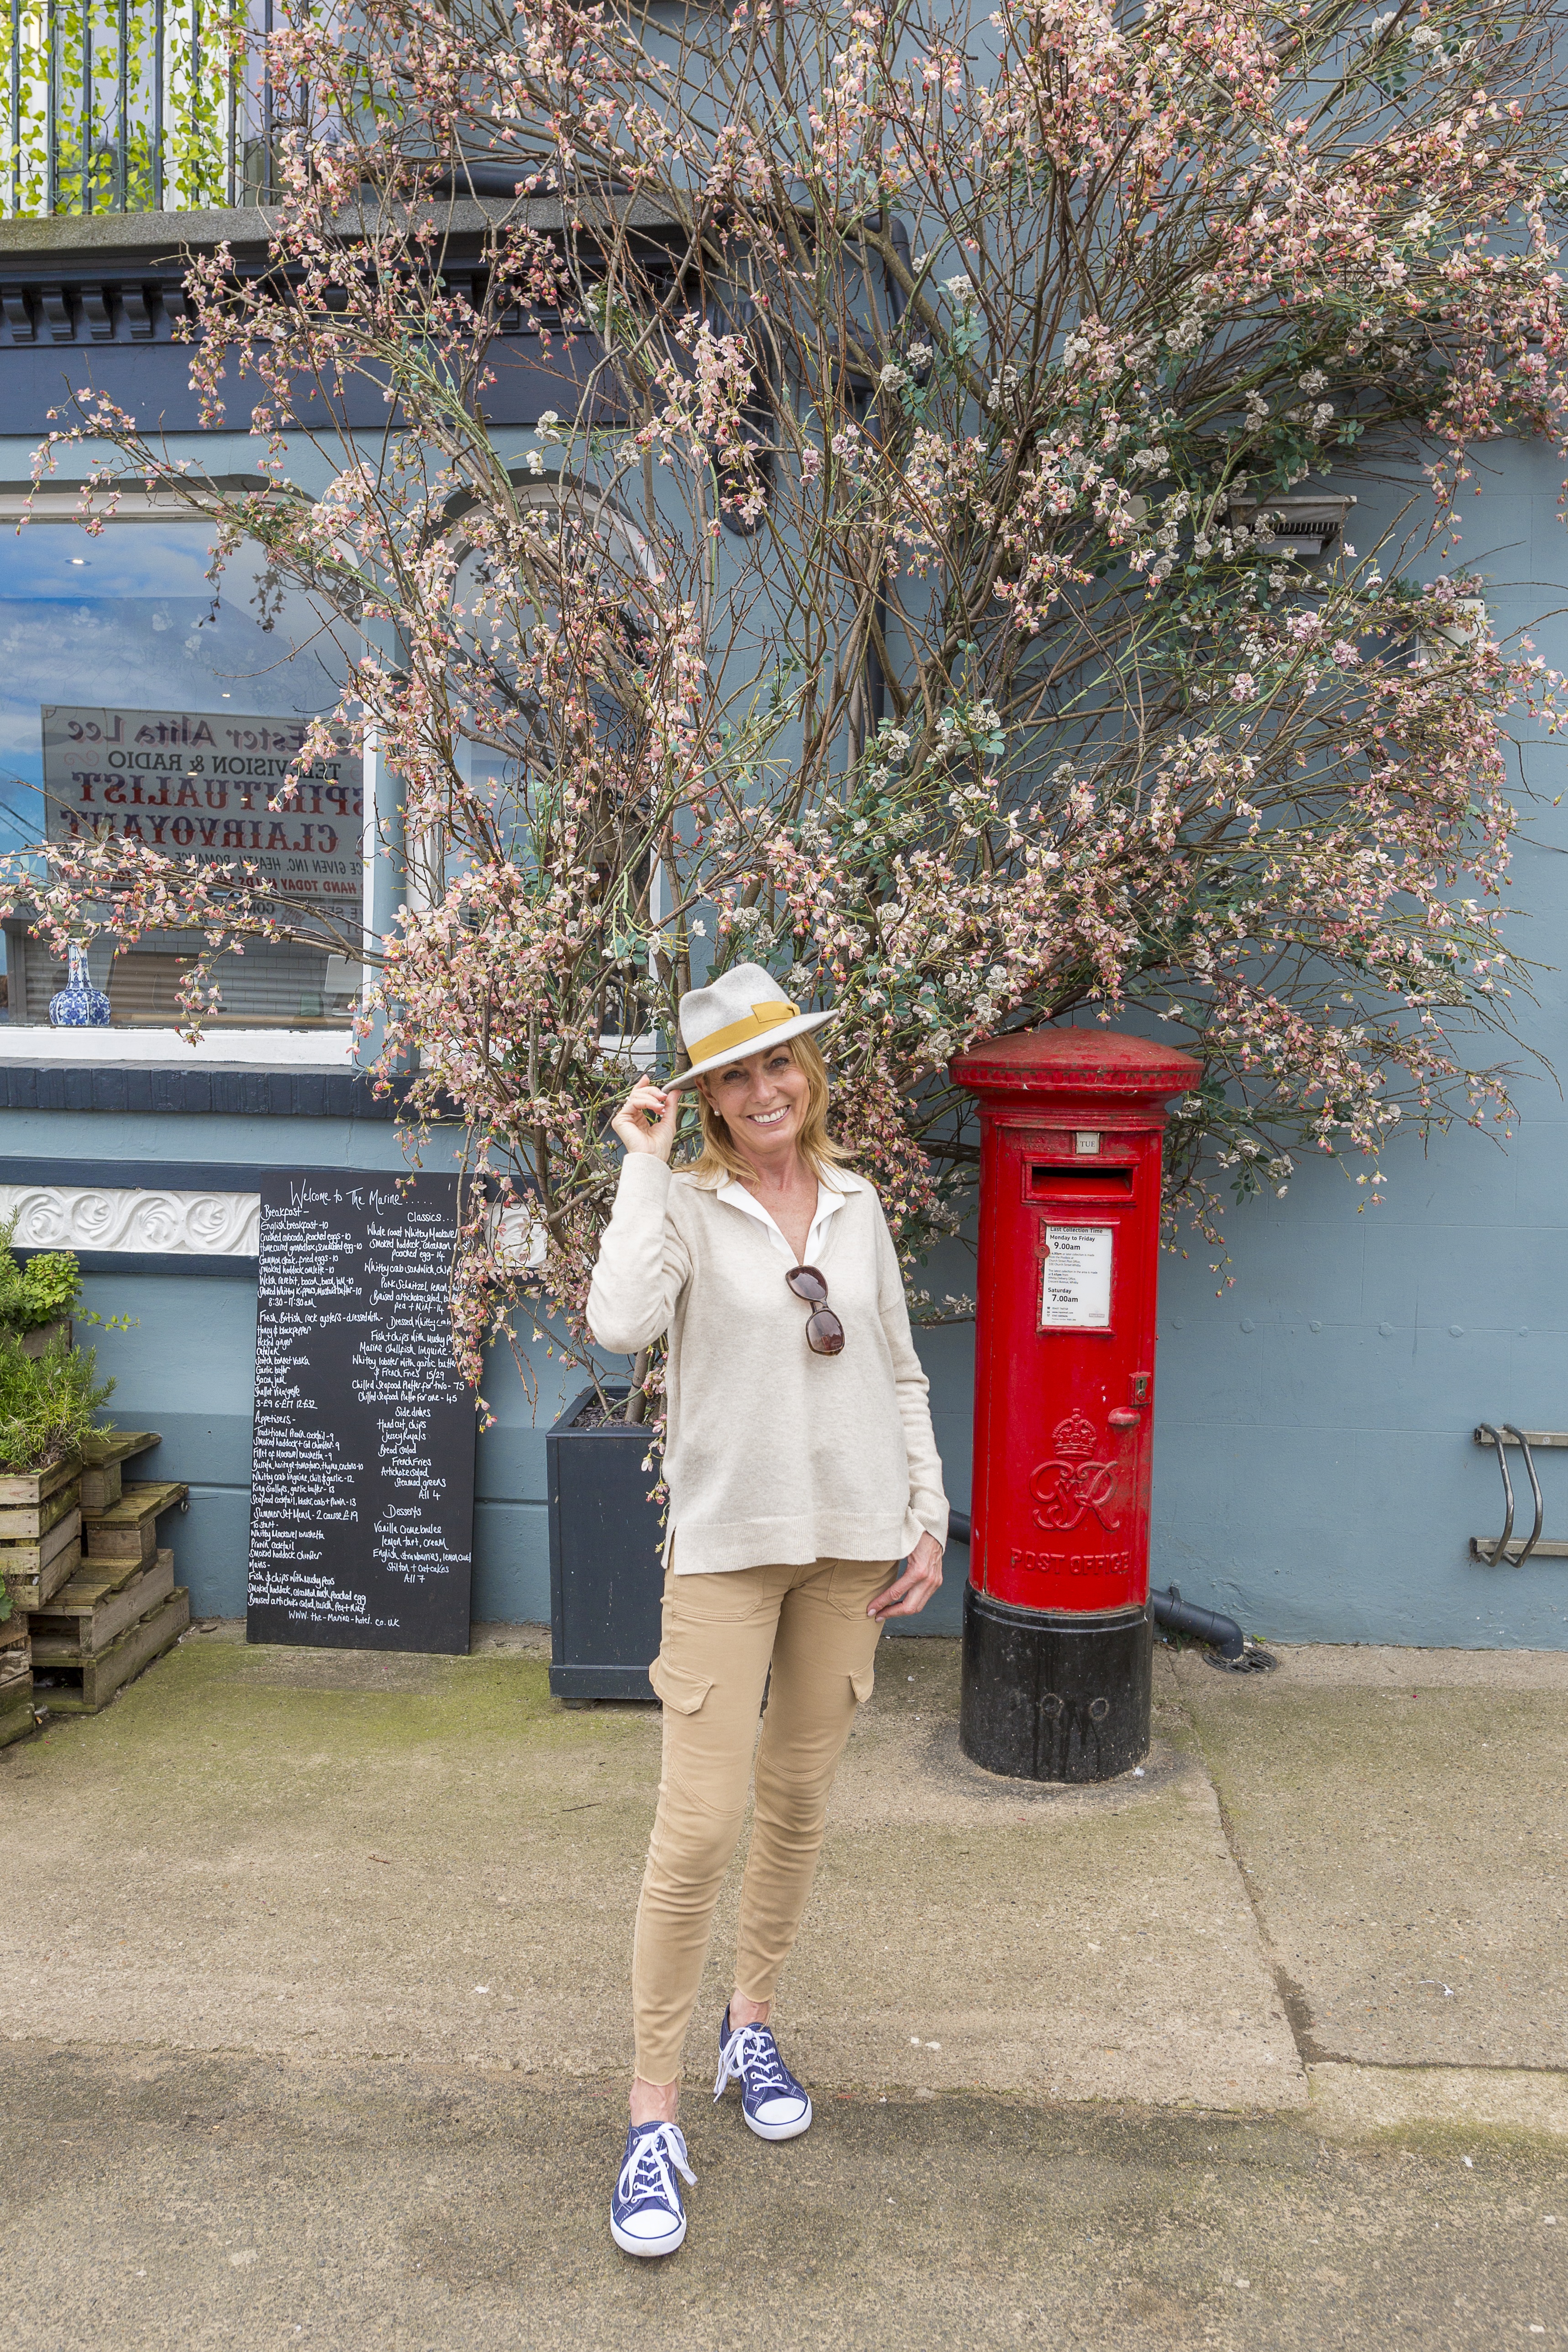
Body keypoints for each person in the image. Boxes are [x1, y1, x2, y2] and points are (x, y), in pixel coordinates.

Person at [587, 961, 949, 2258]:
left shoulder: (855, 1205)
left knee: (797, 1804)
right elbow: (621, 1323)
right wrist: (642, 1161)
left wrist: (926, 1509)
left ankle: (752, 2026)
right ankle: (649, 2114)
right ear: (704, 1099)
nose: (763, 1090)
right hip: (729, 1551)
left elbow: (898, 1363)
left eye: (778, 1062)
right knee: (696, 1833)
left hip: (850, 1550)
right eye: (733, 1075)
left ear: (810, 1071)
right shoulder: (683, 1205)